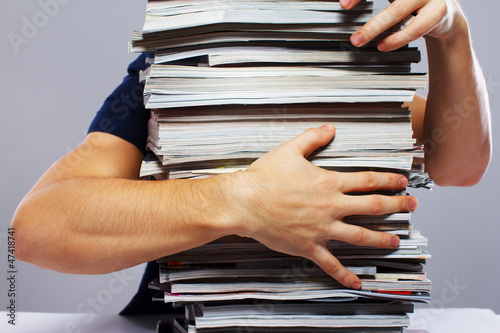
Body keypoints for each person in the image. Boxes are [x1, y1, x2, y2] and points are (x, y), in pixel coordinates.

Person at [11, 0, 491, 314]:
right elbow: (36, 231)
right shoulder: (176, 71)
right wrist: (241, 201)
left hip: (356, 316)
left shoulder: (359, 74)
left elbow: (461, 166)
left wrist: (452, 34)